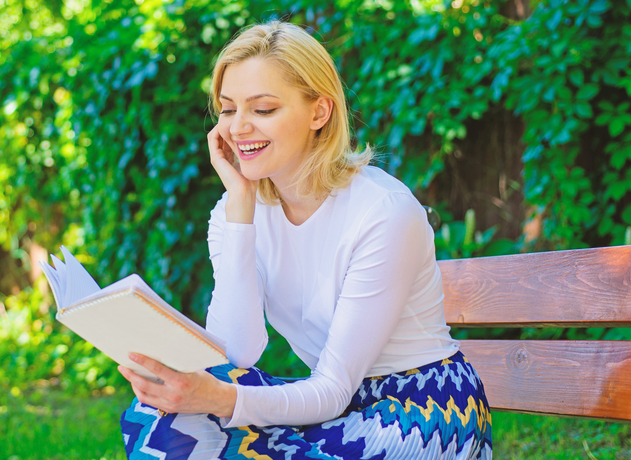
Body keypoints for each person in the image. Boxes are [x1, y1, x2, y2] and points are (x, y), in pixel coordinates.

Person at [118, 21, 491, 459]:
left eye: (263, 109)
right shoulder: (233, 212)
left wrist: (219, 398)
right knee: (159, 415)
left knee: (215, 413)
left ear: (319, 112)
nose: (238, 128)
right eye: (227, 109)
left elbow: (331, 389)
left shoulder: (382, 210)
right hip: (333, 406)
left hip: (424, 409)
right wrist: (240, 206)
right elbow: (235, 353)